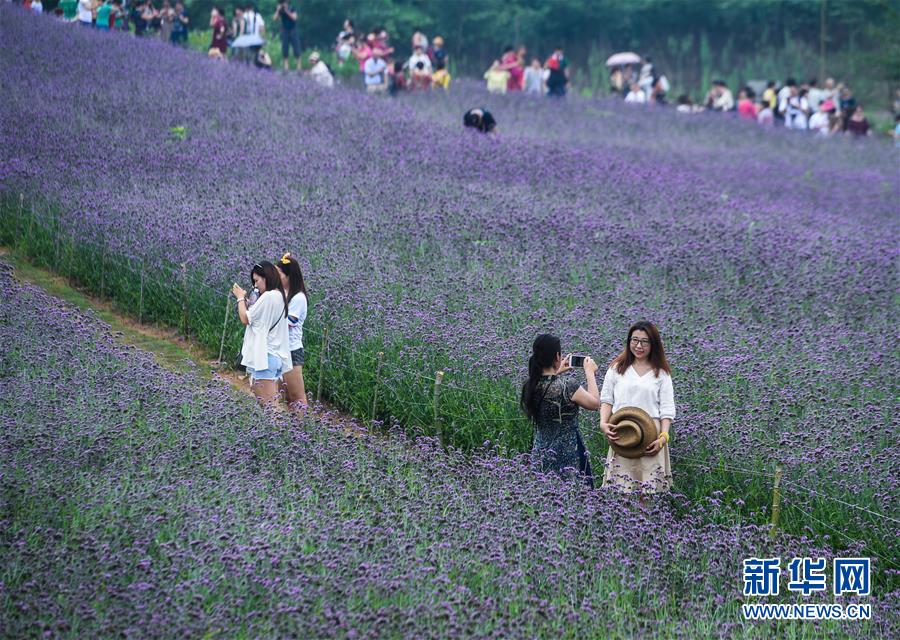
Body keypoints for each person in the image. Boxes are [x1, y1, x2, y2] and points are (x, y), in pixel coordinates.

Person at [600, 321, 675, 495]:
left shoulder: (661, 373)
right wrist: (603, 423)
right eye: (634, 340)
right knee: (621, 491)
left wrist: (663, 437)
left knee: (646, 493)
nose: (639, 346)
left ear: (653, 344)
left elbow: (667, 409)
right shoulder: (616, 369)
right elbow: (606, 399)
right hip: (623, 434)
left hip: (651, 437)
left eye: (645, 341)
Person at [521, 334, 600, 488]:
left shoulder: (530, 386)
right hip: (570, 455)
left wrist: (556, 371)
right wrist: (589, 373)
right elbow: (594, 403)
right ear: (557, 356)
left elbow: (547, 385)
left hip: (540, 453)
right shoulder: (568, 386)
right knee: (576, 498)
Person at [232, 262, 291, 405]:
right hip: (274, 357)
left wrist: (240, 297)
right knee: (269, 407)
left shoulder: (269, 296)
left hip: (266, 359)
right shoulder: (278, 296)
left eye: (257, 280)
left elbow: (245, 318)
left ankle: (281, 428)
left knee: (270, 410)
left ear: (267, 277)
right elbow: (257, 318)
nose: (255, 286)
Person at [276, 253, 308, 408]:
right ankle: (292, 430)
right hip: (278, 348)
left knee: (296, 396)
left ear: (289, 276)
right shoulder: (281, 294)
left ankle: (303, 429)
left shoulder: (298, 298)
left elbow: (289, 322)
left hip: (291, 350)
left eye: (279, 274)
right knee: (284, 395)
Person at [274, 1, 300, 72]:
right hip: (285, 30)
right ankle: (286, 68)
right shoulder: (281, 10)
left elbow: (295, 18)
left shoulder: (292, 8)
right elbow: (274, 19)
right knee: (285, 48)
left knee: (296, 48)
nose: (283, 4)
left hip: (293, 30)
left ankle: (298, 68)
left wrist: (287, 11)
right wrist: (278, 10)